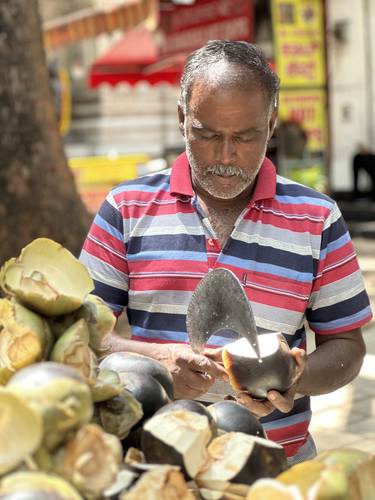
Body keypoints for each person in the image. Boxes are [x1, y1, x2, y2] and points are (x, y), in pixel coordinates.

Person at [80, 40, 372, 464]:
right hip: (155, 466)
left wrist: (297, 378)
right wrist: (156, 361)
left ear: (271, 125)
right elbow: (84, 333)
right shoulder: (126, 208)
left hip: (276, 464)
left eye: (246, 136)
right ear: (183, 119)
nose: (225, 156)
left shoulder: (318, 218)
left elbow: (347, 344)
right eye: (207, 134)